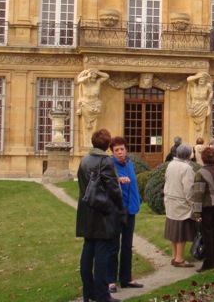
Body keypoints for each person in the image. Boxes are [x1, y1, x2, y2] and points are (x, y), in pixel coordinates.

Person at [76, 128, 122, 302]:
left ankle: (88, 293)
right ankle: (103, 295)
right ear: (107, 145)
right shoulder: (106, 161)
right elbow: (114, 189)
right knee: (102, 255)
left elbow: (82, 187)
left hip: (87, 212)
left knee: (88, 252)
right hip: (102, 213)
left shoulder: (84, 160)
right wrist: (119, 207)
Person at [107, 137, 143, 293]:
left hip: (131, 210)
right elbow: (105, 184)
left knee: (127, 246)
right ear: (112, 152)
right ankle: (110, 281)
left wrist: (138, 200)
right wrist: (118, 180)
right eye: (117, 150)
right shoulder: (109, 165)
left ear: (126, 149)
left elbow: (133, 184)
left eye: (122, 149)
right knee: (114, 246)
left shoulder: (129, 163)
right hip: (117, 211)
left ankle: (126, 278)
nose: (120, 152)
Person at [192, 146, 214, 272]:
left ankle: (208, 264)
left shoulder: (200, 173)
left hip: (207, 207)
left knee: (207, 234)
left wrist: (196, 213)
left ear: (203, 159)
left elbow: (198, 193)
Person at [163, 143, 197, 267]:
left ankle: (174, 256)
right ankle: (179, 258)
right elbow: (188, 188)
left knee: (174, 230)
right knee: (181, 231)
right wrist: (192, 203)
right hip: (181, 202)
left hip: (170, 199)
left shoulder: (171, 164)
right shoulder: (186, 168)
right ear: (188, 155)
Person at [76, 68, 110, 139]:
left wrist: (98, 72)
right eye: (92, 74)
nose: (93, 76)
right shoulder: (85, 82)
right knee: (86, 126)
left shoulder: (98, 82)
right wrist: (88, 75)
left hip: (95, 104)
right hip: (85, 104)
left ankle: (91, 143)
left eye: (95, 75)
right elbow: (79, 80)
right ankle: (87, 143)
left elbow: (107, 76)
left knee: (94, 126)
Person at [186, 72, 213, 139]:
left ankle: (200, 139)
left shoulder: (207, 86)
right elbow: (188, 79)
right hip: (194, 107)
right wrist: (198, 76)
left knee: (202, 125)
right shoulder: (194, 85)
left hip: (202, 106)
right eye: (200, 79)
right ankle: (195, 140)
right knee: (194, 126)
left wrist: (208, 101)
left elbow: (211, 92)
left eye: (202, 79)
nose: (201, 80)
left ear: (205, 81)